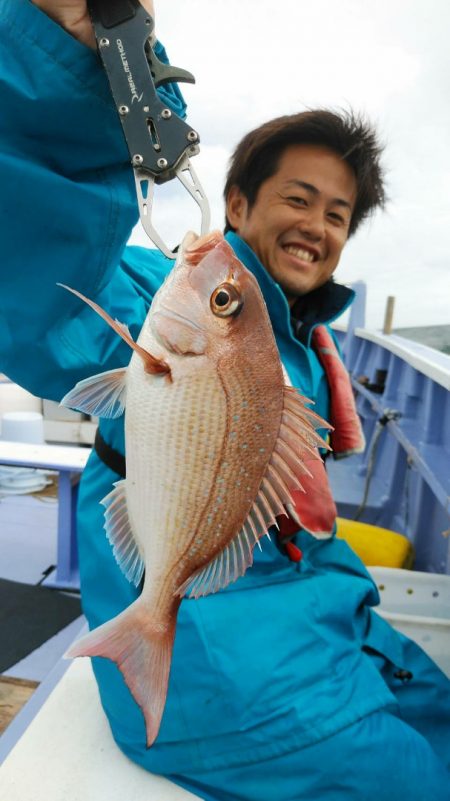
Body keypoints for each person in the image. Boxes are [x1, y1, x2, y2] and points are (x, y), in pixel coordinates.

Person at [2, 2, 450, 799]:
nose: (316, 225)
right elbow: (40, 282)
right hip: (227, 677)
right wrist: (67, 80)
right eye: (297, 197)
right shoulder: (154, 296)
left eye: (337, 213)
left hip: (323, 624)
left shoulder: (312, 347)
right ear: (235, 205)